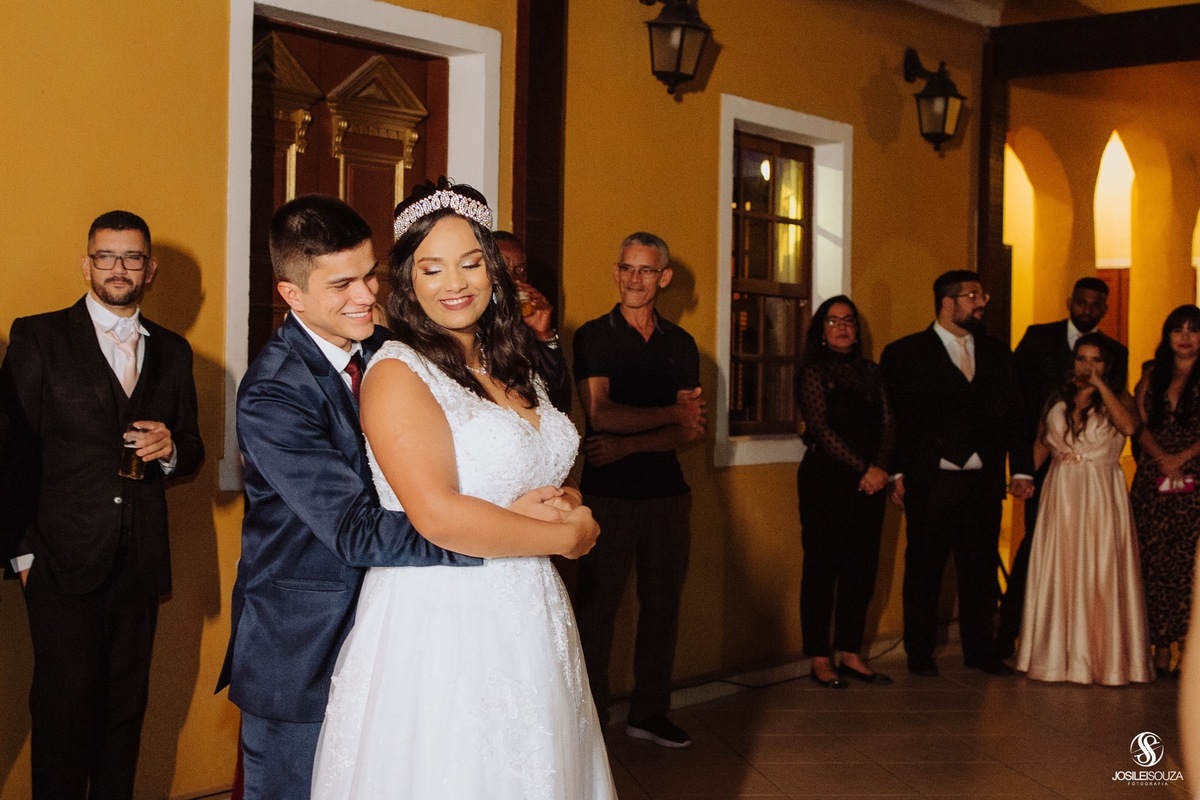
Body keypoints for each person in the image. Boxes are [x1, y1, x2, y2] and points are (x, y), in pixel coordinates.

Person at [217, 194, 598, 799]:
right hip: (308, 647)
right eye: (342, 284)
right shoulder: (272, 392)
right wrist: (502, 534)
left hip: (420, 630)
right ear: (293, 295)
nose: (366, 295)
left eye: (370, 274)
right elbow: (355, 530)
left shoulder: (393, 349)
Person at [0, 210, 204, 800]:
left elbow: (189, 448)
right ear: (86, 264)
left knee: (124, 712)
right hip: (58, 563)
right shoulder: (38, 336)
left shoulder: (173, 351)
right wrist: (23, 555)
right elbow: (10, 453)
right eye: (106, 257)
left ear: (150, 269)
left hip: (139, 562)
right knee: (63, 715)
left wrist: (171, 450)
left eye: (132, 257)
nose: (119, 269)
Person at [572, 232, 705, 748]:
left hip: (668, 495)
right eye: (626, 268)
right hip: (607, 497)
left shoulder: (682, 344)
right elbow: (601, 413)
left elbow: (690, 430)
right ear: (616, 271)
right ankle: (590, 719)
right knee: (597, 611)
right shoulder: (594, 336)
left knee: (662, 607)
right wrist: (670, 417)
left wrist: (629, 445)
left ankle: (649, 712)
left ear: (664, 278)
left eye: (646, 270)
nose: (634, 279)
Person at [880, 270, 1033, 678]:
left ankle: (980, 650)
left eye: (982, 294)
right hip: (932, 479)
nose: (982, 302)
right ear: (947, 303)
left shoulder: (999, 355)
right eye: (972, 296)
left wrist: (1022, 469)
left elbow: (1016, 417)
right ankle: (919, 651)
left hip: (982, 481)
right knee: (925, 567)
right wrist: (895, 472)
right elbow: (893, 419)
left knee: (980, 568)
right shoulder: (903, 354)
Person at [998, 277, 1129, 657]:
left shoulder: (1116, 352)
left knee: (1098, 561)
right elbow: (1017, 396)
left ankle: (1094, 644)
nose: (1087, 308)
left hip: (1099, 484)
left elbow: (1128, 420)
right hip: (1051, 470)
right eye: (1082, 301)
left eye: (1096, 304)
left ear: (1104, 308)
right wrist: (1020, 469)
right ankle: (1014, 635)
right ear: (1070, 301)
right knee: (1038, 552)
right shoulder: (1038, 338)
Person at [1016, 332, 1152, 685]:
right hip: (1061, 491)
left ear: (1107, 366)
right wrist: (1020, 475)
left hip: (1099, 491)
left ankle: (1101, 659)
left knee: (1100, 569)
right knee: (1060, 566)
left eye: (1096, 360)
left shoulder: (1117, 399)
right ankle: (1055, 656)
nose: (1087, 366)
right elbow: (1044, 444)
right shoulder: (1057, 399)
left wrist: (1101, 387)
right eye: (1081, 358)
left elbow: (1129, 427)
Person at [795, 296, 895, 688]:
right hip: (827, 479)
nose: (842, 327)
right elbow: (820, 429)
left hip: (870, 484)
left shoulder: (872, 371)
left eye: (849, 321)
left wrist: (881, 469)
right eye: (833, 321)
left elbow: (889, 423)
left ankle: (851, 652)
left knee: (862, 568)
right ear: (822, 329)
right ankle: (820, 657)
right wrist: (865, 468)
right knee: (822, 568)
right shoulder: (814, 372)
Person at [1131, 304, 1200, 676]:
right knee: (1153, 561)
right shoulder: (1152, 375)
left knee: (1190, 564)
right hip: (1154, 481)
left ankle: (1190, 646)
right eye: (1178, 329)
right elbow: (1136, 424)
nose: (1185, 337)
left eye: (1193, 330)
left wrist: (1183, 456)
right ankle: (1158, 644)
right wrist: (1161, 458)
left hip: (1196, 480)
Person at [493, 230, 571, 412]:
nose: (514, 279)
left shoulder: (526, 327)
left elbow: (561, 403)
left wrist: (544, 334)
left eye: (520, 270)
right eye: (503, 268)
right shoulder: (469, 326)